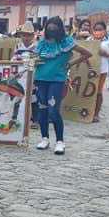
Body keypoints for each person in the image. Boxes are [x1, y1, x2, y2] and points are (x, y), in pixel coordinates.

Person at [33, 16, 91, 155]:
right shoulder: (42, 43)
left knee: (53, 110)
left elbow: (87, 53)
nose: (51, 28)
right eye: (49, 26)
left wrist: (70, 63)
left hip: (57, 80)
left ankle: (60, 141)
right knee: (42, 109)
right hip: (41, 79)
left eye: (55, 26)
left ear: (60, 28)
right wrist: (34, 61)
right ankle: (44, 138)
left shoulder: (67, 42)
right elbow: (35, 58)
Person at [93, 21, 109, 121]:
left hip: (102, 70)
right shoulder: (89, 39)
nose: (98, 32)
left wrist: (106, 55)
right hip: (90, 70)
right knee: (88, 91)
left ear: (104, 30)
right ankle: (87, 112)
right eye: (96, 30)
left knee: (98, 92)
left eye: (100, 30)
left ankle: (96, 114)